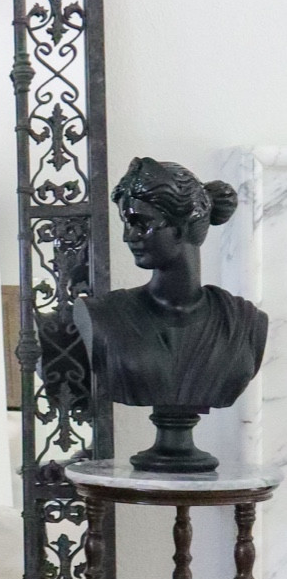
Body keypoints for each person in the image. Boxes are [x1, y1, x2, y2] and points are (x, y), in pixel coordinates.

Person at [74, 157, 266, 472]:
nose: (128, 236)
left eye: (141, 222)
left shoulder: (246, 323)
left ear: (182, 226)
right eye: (126, 222)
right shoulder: (103, 316)